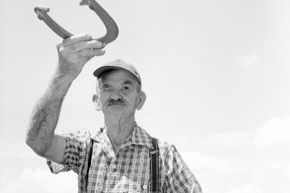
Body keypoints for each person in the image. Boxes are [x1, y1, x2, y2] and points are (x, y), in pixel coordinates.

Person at [26, 34, 202, 193]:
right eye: (107, 88)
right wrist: (63, 74)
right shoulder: (84, 148)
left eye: (126, 88)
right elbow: (38, 141)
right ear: (96, 101)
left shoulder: (164, 156)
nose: (116, 95)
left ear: (140, 100)